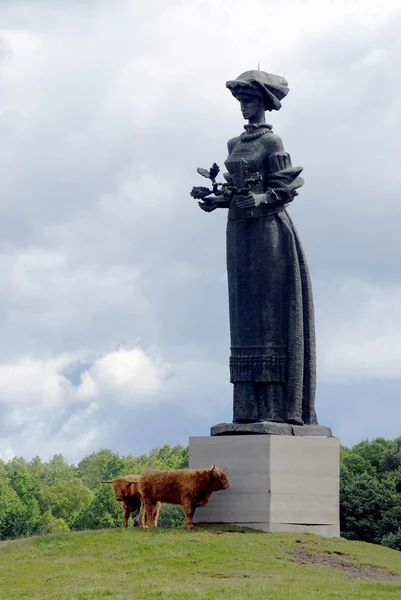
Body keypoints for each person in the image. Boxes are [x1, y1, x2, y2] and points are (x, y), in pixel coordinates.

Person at [198, 70, 317, 425]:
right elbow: (234, 189)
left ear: (264, 103)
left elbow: (285, 189)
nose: (244, 108)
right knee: (244, 318)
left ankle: (280, 408)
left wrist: (262, 197)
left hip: (269, 232)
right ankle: (247, 410)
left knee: (270, 318)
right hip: (239, 232)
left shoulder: (272, 143)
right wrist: (216, 200)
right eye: (241, 102)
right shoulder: (234, 145)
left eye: (249, 101)